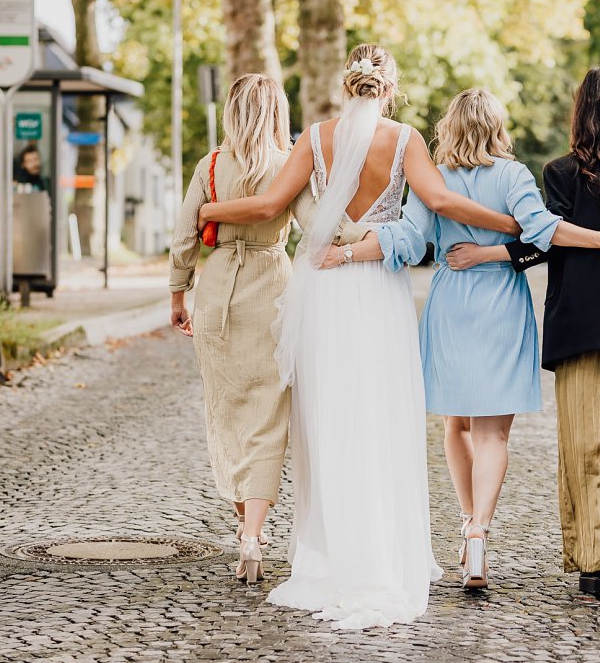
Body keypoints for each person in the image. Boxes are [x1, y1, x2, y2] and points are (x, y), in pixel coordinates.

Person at [195, 44, 521, 628]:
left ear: (347, 86)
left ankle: (330, 555)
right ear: (390, 88)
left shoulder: (316, 138)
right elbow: (442, 200)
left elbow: (270, 203)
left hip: (325, 289)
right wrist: (511, 224)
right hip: (378, 286)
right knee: (382, 416)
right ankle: (383, 553)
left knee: (329, 419)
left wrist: (210, 208)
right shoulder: (404, 140)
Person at [326, 88, 600, 590]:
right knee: (493, 433)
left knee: (457, 426)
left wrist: (345, 253)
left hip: (451, 304)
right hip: (502, 305)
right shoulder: (514, 176)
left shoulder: (434, 177)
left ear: (449, 127)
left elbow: (407, 241)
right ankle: (479, 533)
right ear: (497, 127)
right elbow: (542, 232)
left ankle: (469, 527)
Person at [443, 68, 600, 595]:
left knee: (590, 440)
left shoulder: (560, 173)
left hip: (581, 325)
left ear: (578, 113)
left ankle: (598, 555)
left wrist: (488, 256)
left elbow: (542, 242)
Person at [169, 74, 372, 585]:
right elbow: (317, 221)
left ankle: (244, 521)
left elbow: (184, 235)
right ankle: (254, 536)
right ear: (278, 113)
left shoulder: (210, 166)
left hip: (216, 294)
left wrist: (178, 294)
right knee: (267, 415)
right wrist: (367, 235)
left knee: (229, 412)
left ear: (232, 112)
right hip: (274, 294)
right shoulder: (288, 165)